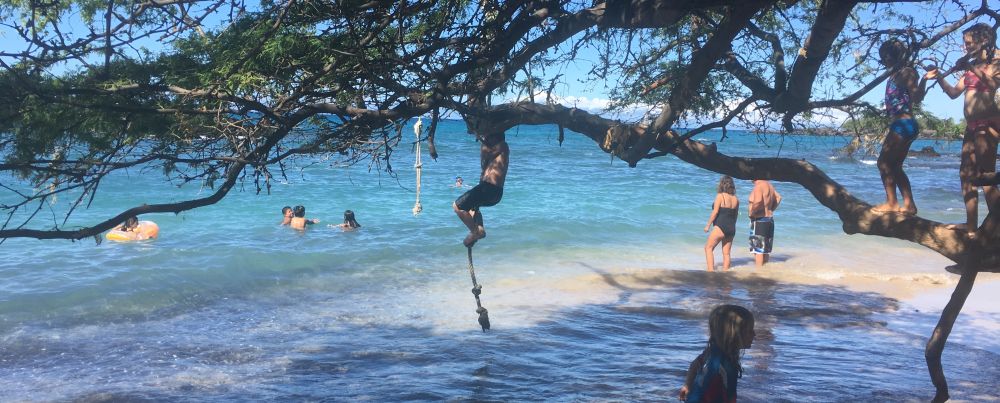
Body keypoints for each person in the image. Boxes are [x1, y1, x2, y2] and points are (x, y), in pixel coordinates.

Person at [926, 23, 1000, 239]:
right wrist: (939, 76)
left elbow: (994, 84)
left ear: (984, 40)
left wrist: (971, 66)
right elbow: (952, 93)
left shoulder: (997, 61)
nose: (964, 47)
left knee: (985, 177)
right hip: (972, 126)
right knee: (965, 175)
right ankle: (970, 226)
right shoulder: (971, 65)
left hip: (989, 124)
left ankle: (996, 228)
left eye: (968, 43)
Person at [873, 39, 928, 215]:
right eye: (883, 58)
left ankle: (892, 203)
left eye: (886, 57)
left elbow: (917, 97)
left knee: (883, 162)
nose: (885, 61)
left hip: (903, 124)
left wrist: (925, 79)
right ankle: (909, 205)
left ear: (894, 56)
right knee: (895, 166)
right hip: (902, 123)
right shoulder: (895, 73)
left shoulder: (907, 72)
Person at [679, 304, 756, 403]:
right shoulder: (722, 362)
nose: (754, 334)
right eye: (749, 331)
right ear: (733, 335)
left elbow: (695, 365)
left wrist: (687, 385)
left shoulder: (713, 351)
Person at [453, 131, 509, 247]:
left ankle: (475, 232)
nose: (485, 139)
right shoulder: (495, 153)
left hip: (489, 188)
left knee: (457, 206)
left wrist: (480, 138)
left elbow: (487, 152)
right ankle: (479, 229)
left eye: (487, 137)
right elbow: (484, 164)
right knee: (472, 209)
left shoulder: (503, 146)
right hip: (492, 191)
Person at [704, 176, 739, 272]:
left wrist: (708, 225)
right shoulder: (736, 199)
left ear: (722, 184)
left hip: (720, 226)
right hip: (731, 228)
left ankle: (710, 272)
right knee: (726, 253)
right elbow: (735, 216)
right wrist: (731, 226)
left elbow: (715, 212)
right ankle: (725, 274)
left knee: (708, 248)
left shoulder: (720, 196)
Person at [748, 179, 781, 267]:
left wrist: (752, 213)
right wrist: (771, 209)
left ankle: (758, 275)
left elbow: (758, 201)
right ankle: (764, 274)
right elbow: (778, 197)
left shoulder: (758, 186)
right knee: (765, 250)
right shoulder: (770, 186)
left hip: (760, 220)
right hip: (769, 220)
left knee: (758, 250)